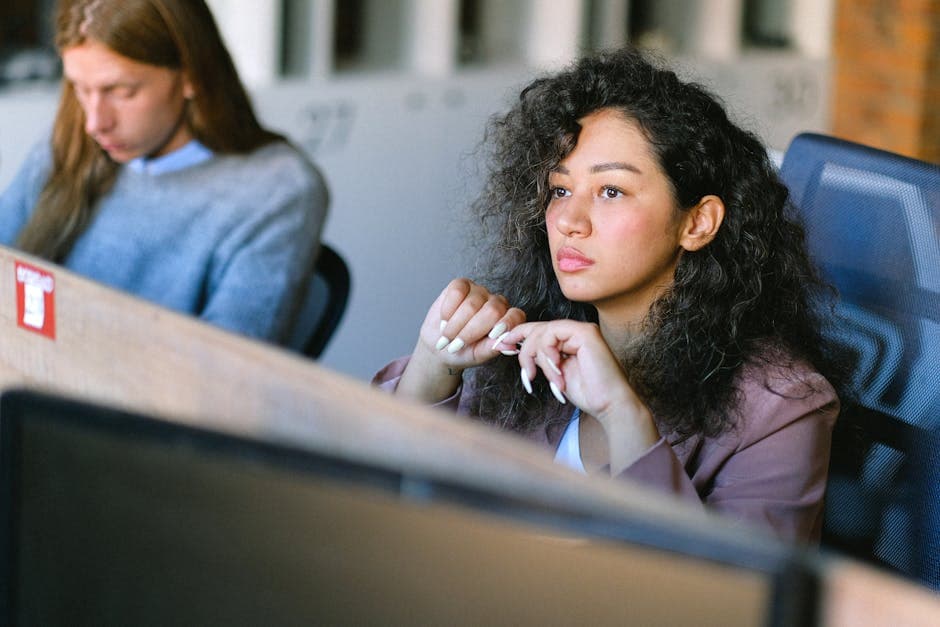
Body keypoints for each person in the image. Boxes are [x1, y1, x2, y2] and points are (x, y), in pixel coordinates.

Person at [374, 47, 845, 544]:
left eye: (611, 191)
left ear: (697, 222)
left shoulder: (781, 409)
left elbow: (737, 602)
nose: (569, 222)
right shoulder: (521, 343)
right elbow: (374, 514)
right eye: (559, 190)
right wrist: (432, 369)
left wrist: (623, 415)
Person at [0, 0, 328, 345]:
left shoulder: (275, 190)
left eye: (123, 92)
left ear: (190, 76)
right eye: (80, 89)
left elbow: (224, 376)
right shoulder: (70, 142)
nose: (96, 123)